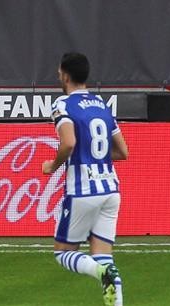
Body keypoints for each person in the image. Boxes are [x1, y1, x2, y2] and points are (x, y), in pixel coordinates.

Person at [42, 52, 128, 306]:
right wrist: (93, 155)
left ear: (66, 75)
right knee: (104, 257)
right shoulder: (102, 105)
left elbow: (68, 143)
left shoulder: (63, 105)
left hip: (82, 191)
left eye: (59, 73)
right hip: (111, 190)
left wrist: (53, 165)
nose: (59, 76)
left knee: (63, 254)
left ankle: (100, 273)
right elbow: (123, 151)